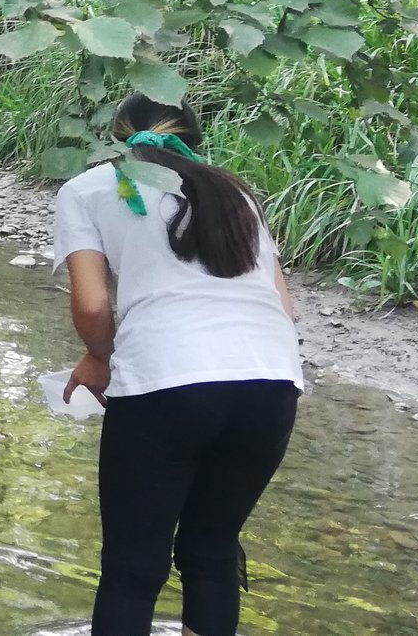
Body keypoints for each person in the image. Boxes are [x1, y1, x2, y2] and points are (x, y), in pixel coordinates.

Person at [52, 93, 302, 636]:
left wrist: (100, 358)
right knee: (210, 553)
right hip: (271, 382)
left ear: (117, 138)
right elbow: (282, 309)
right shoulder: (234, 192)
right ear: (194, 139)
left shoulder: (89, 189)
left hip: (168, 382)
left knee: (132, 568)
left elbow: (93, 303)